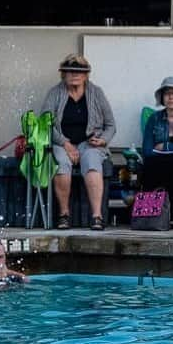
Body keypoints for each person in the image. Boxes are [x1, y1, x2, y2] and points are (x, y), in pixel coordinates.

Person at [41, 54, 116, 231]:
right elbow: (45, 123)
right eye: (70, 71)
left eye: (79, 72)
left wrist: (103, 140)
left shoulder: (96, 93)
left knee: (91, 163)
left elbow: (111, 125)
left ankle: (97, 216)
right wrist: (65, 143)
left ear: (86, 75)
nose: (75, 75)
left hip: (89, 142)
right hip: (61, 142)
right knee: (61, 163)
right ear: (63, 74)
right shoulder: (54, 93)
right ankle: (64, 214)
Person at [141, 76, 173, 221]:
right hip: (158, 162)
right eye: (167, 93)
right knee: (149, 167)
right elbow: (147, 151)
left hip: (171, 161)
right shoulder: (154, 118)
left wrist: (165, 146)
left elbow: (156, 149)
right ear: (162, 97)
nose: (171, 97)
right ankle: (151, 216)